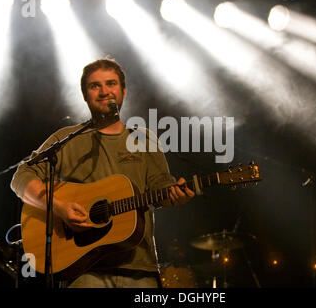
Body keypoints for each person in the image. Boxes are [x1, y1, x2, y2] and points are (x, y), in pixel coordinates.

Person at [10, 57, 195, 288]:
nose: (104, 91)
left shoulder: (144, 139)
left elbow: (161, 187)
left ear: (123, 91)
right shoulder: (66, 139)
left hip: (139, 267)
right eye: (95, 86)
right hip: (84, 269)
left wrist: (175, 195)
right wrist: (59, 206)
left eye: (111, 84)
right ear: (85, 95)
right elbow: (21, 176)